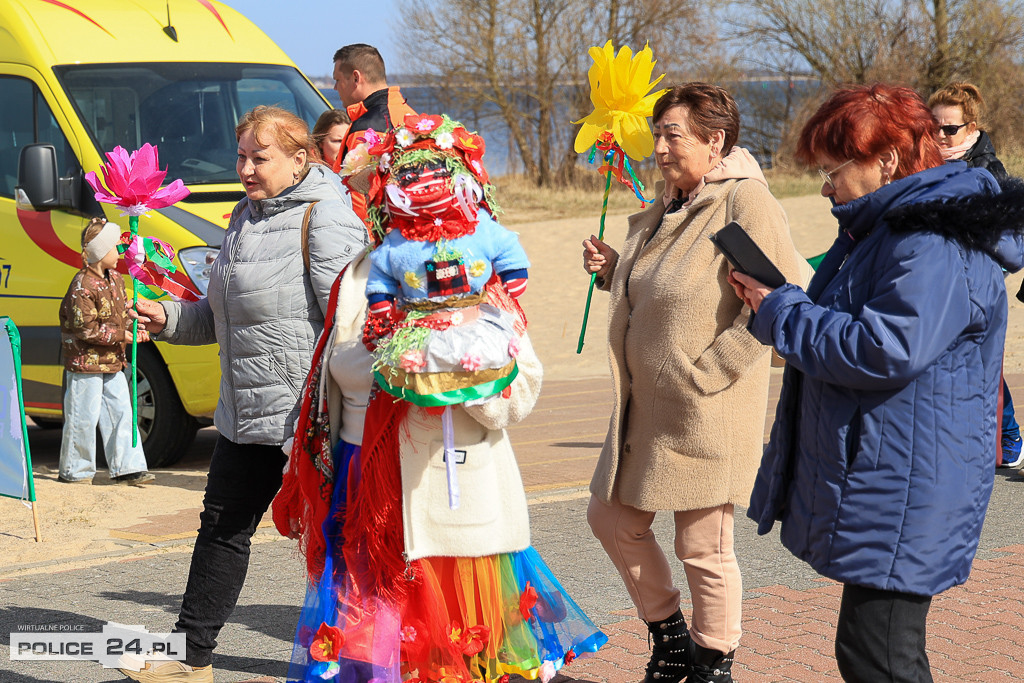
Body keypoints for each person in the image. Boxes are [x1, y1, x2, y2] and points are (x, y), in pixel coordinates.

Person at [271, 120, 606, 683]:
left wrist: (463, 378)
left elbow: (520, 388)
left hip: (457, 496)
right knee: (382, 653)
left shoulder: (483, 277)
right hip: (371, 491)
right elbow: (338, 371)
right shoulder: (361, 277)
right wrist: (398, 359)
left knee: (464, 652)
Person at [734, 83, 1024, 682]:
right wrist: (777, 306)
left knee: (879, 656)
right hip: (896, 471)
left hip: (909, 478)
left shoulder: (930, 239)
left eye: (832, 170)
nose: (824, 186)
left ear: (886, 161)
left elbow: (883, 347)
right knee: (873, 650)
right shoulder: (890, 228)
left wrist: (781, 312)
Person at [119, 105, 369, 683]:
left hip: (310, 417)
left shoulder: (327, 219)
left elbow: (352, 320)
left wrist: (337, 409)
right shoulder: (243, 216)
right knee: (222, 528)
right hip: (245, 412)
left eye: (261, 158)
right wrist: (167, 318)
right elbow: (220, 312)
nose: (247, 170)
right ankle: (191, 658)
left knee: (342, 539)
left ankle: (369, 659)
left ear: (300, 158)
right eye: (241, 157)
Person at [582, 83, 802, 683]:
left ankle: (714, 658)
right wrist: (612, 272)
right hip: (643, 406)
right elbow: (665, 292)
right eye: (656, 134)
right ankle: (669, 634)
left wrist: (710, 372)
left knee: (703, 546)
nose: (658, 147)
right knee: (612, 519)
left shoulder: (744, 202)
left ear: (715, 140)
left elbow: (779, 299)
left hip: (706, 405)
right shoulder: (671, 202)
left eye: (672, 135)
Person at [928, 81, 1022, 468]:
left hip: (977, 284)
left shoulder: (988, 171)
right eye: (932, 127)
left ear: (972, 129)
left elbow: (1012, 240)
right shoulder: (926, 164)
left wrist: (986, 273)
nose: (940, 135)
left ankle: (1009, 439)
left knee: (981, 364)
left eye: (949, 129)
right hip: (935, 278)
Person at [57, 217, 154, 486]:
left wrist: (134, 325)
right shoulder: (82, 287)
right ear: (100, 252)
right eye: (115, 248)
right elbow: (85, 329)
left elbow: (121, 313)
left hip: (113, 361)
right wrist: (122, 335)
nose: (120, 253)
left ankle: (128, 466)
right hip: (84, 364)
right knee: (82, 417)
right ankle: (76, 470)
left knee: (122, 411)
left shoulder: (117, 280)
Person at [332, 43, 415, 222]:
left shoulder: (367, 127)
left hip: (372, 239)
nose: (335, 88)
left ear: (356, 77)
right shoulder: (409, 115)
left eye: (337, 80)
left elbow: (359, 199)